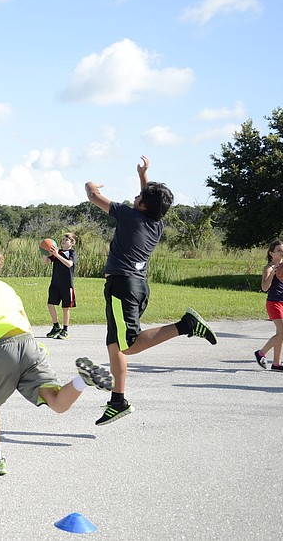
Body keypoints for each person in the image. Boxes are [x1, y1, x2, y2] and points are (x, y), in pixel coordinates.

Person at [0, 243, 113, 475]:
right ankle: (82, 379)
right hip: (29, 344)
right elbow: (25, 320)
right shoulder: (7, 289)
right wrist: (33, 349)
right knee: (57, 403)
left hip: (2, 350)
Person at [85, 155, 217, 426]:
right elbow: (150, 203)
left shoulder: (128, 215)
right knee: (115, 346)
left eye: (138, 195)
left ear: (142, 204)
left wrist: (91, 184)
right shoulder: (156, 223)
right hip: (136, 285)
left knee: (128, 345)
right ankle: (117, 401)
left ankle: (186, 325)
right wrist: (144, 176)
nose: (134, 197)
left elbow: (92, 195)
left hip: (123, 286)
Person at [253, 240, 283, 372]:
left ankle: (276, 363)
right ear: (271, 253)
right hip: (274, 303)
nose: (282, 252)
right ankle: (261, 353)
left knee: (280, 334)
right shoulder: (269, 268)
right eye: (279, 250)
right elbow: (264, 288)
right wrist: (273, 273)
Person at [44, 232, 77, 340]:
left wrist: (57, 255)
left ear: (72, 242)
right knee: (50, 304)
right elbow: (46, 262)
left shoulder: (72, 253)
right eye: (62, 239)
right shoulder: (57, 252)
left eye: (66, 239)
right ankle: (56, 326)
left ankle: (65, 330)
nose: (63, 241)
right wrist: (45, 252)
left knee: (66, 308)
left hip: (67, 285)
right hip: (55, 284)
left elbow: (69, 264)